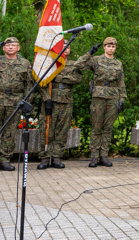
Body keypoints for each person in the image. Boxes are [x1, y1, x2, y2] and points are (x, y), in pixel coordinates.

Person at [37, 45, 94, 169]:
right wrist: (46, 98)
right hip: (51, 99)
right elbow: (42, 82)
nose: (65, 49)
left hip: (66, 100)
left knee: (62, 130)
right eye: (62, 47)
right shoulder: (49, 64)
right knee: (46, 129)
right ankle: (45, 157)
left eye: (67, 47)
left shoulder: (74, 64)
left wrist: (58, 77)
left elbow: (77, 79)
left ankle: (57, 156)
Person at [0, 38, 33, 172]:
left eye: (13, 45)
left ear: (18, 48)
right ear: (3, 48)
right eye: (8, 45)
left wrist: (27, 103)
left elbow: (29, 85)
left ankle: (4, 159)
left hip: (15, 100)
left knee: (10, 132)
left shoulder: (25, 63)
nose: (11, 47)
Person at [82, 37, 127, 168]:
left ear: (115, 48)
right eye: (108, 46)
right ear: (104, 47)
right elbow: (79, 64)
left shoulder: (118, 63)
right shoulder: (96, 60)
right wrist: (89, 53)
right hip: (99, 96)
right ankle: (94, 157)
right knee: (96, 127)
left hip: (113, 96)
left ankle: (104, 156)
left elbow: (121, 81)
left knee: (108, 128)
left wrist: (122, 98)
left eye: (113, 47)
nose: (111, 48)